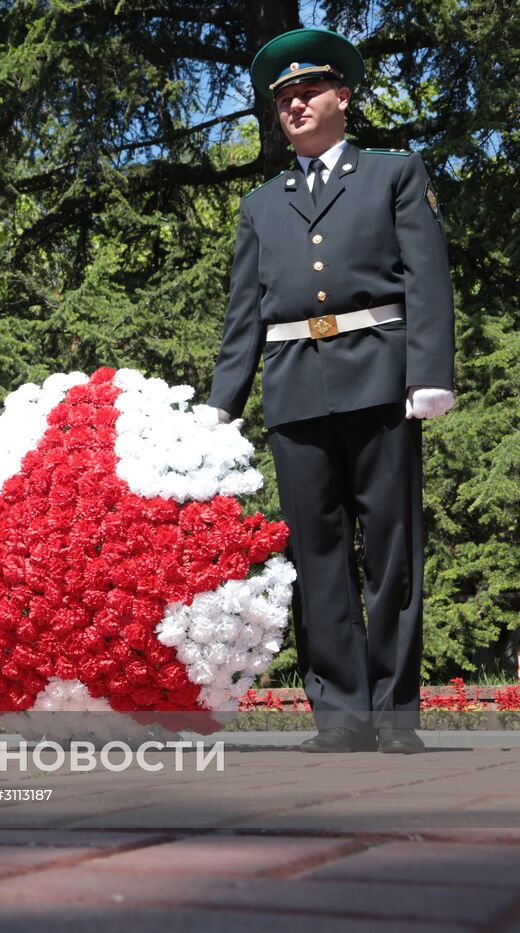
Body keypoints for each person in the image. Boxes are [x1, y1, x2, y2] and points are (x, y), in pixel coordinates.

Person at [208, 29, 455, 755]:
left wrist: (430, 371)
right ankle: (342, 713)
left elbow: (425, 279)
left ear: (342, 97)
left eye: (308, 91)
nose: (295, 105)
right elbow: (244, 315)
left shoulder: (393, 174)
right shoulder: (260, 206)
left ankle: (393, 712)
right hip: (294, 393)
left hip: (381, 381)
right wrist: (223, 406)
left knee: (391, 552)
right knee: (316, 556)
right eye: (283, 98)